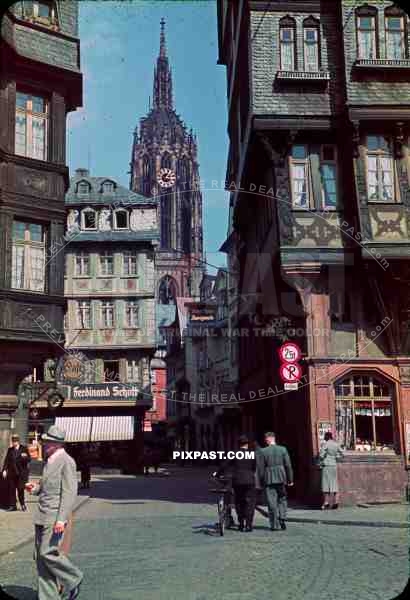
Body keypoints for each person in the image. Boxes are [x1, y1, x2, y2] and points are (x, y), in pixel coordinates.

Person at [26, 425, 83, 600]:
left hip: (54, 516)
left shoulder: (67, 461)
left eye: (47, 442)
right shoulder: (50, 460)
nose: (43, 444)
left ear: (56, 444)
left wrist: (61, 519)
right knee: (40, 559)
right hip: (41, 515)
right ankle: (48, 596)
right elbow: (47, 486)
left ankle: (74, 577)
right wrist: (35, 488)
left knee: (47, 552)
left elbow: (69, 492)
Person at [215, 435, 256, 532]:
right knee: (250, 503)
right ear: (247, 444)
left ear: (239, 444)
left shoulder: (234, 453)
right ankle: (249, 525)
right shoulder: (252, 454)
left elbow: (224, 465)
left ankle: (241, 524)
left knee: (239, 502)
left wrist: (217, 474)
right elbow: (254, 467)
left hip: (238, 481)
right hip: (250, 480)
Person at [256, 431, 293, 531]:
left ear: (269, 439)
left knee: (271, 502)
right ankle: (283, 517)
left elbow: (260, 469)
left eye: (266, 439)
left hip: (269, 479)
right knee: (282, 499)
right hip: (281, 478)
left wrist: (260, 482)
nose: (265, 441)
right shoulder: (282, 449)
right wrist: (290, 479)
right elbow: (288, 465)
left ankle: (274, 525)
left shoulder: (263, 451)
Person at [2, 433, 31, 512]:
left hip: (21, 473)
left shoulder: (23, 448)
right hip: (12, 473)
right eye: (13, 441)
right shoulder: (10, 450)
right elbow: (6, 461)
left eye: (15, 441)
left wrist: (24, 457)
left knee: (20, 489)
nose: (14, 443)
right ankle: (13, 506)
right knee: (12, 490)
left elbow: (29, 459)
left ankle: (22, 504)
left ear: (18, 441)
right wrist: (4, 470)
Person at [319, 431, 344, 510]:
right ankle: (336, 502)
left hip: (326, 465)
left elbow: (321, 455)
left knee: (326, 484)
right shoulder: (336, 444)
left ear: (326, 437)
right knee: (334, 484)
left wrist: (323, 457)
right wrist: (336, 457)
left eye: (324, 437)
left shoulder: (325, 444)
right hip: (334, 465)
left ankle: (326, 502)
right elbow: (343, 453)